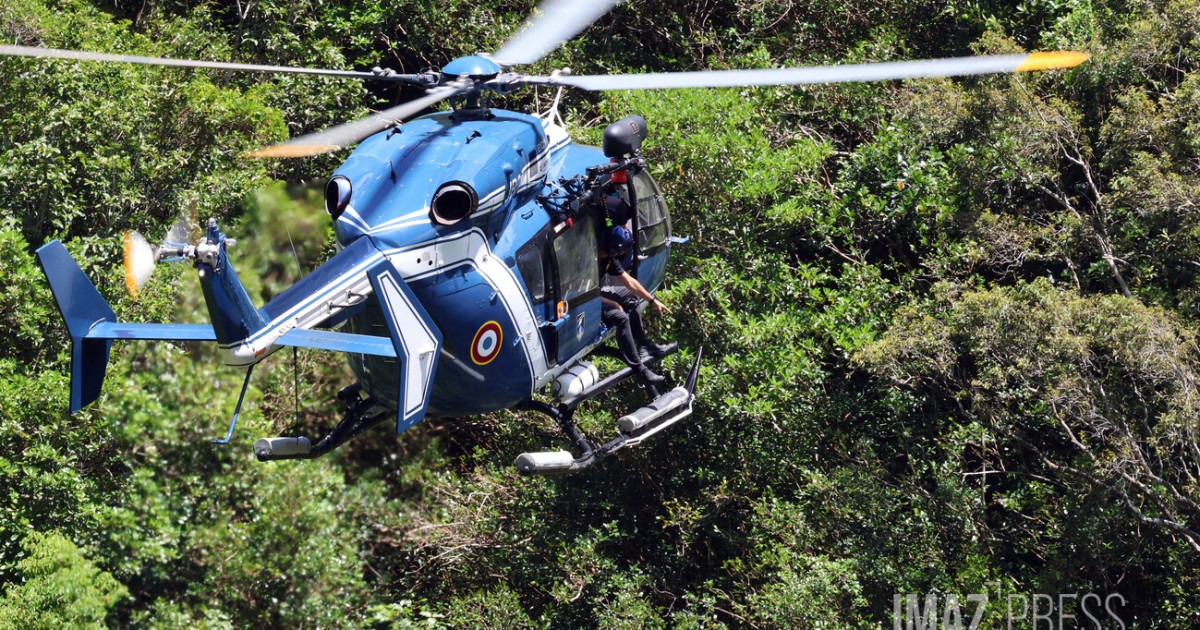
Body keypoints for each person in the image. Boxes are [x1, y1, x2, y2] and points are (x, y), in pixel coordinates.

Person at [598, 224, 676, 386]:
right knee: (621, 317)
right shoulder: (587, 260)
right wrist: (611, 302)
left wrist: (652, 301)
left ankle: (643, 345)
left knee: (630, 298)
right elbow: (578, 294)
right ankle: (640, 371)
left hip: (596, 294)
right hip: (580, 303)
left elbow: (629, 282)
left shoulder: (608, 259)